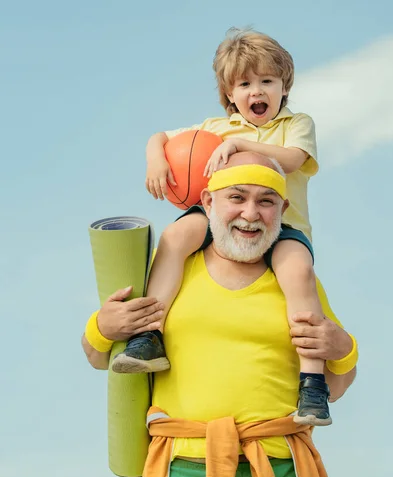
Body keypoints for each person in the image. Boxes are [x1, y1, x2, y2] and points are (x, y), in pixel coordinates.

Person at [82, 152, 358, 477]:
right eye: (237, 197)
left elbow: (335, 387)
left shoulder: (297, 280)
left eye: (267, 201)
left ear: (282, 212)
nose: (251, 213)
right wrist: (102, 326)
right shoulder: (167, 269)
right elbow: (100, 357)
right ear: (207, 202)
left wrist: (344, 351)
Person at [111, 28, 330, 425]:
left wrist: (242, 147)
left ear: (284, 87)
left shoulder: (296, 123)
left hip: (278, 225)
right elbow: (159, 136)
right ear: (230, 94)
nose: (256, 91)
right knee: (175, 235)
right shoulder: (216, 127)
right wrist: (155, 159)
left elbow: (294, 159)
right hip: (221, 221)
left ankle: (313, 382)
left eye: (267, 81)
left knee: (299, 271)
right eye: (244, 83)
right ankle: (151, 334)